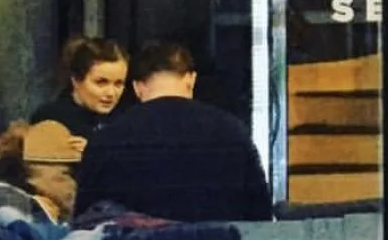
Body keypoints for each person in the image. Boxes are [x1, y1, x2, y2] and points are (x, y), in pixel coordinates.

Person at [73, 40, 273, 223]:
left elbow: (86, 221)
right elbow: (260, 215)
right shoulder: (233, 132)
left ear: (138, 88)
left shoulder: (107, 139)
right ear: (191, 80)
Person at [30, 36, 130, 143]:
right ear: (76, 80)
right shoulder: (51, 119)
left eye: (118, 84)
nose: (111, 93)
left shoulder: (127, 120)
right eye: (101, 82)